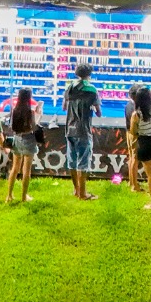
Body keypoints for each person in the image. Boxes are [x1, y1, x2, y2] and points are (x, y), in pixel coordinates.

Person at [63, 63, 100, 201]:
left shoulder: (69, 87)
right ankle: (83, 194)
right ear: (89, 74)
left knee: (72, 160)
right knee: (83, 161)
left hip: (69, 128)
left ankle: (76, 190)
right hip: (83, 129)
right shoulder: (91, 89)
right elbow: (99, 113)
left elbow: (64, 107)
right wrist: (91, 108)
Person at [5, 89, 44, 204]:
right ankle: (23, 196)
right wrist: (39, 114)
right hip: (28, 140)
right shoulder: (29, 112)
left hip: (17, 139)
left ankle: (9, 195)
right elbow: (33, 127)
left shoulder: (14, 110)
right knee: (26, 170)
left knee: (14, 168)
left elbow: (11, 127)